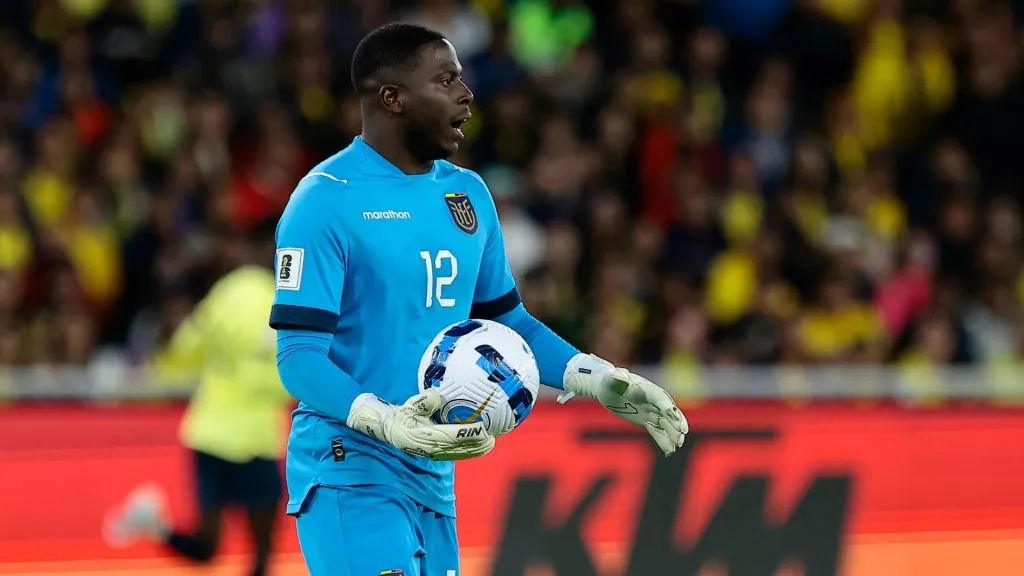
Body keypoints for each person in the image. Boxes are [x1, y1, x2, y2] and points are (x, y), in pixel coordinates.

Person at [271, 23, 689, 576]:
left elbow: (508, 322)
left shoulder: (466, 195)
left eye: (462, 79)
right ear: (392, 98)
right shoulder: (325, 201)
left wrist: (597, 378)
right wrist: (383, 419)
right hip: (350, 465)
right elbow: (297, 356)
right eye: (446, 80)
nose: (466, 95)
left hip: (433, 473)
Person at [104, 220, 291, 576]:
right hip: (253, 440)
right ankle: (151, 523)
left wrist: (153, 370)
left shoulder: (224, 292)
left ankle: (154, 524)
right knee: (263, 553)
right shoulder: (283, 300)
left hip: (207, 433)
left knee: (207, 549)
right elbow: (285, 377)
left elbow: (186, 348)